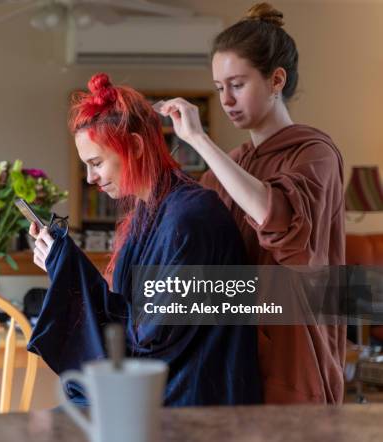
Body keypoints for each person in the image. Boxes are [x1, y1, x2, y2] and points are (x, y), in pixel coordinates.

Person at [26, 73, 262, 406]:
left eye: (96, 163)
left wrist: (68, 268)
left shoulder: (189, 220)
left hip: (189, 399)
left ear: (135, 146)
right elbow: (131, 318)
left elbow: (149, 338)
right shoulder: (149, 212)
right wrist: (61, 264)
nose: (91, 178)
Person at [159, 2, 345, 404]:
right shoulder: (235, 163)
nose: (226, 99)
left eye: (237, 84)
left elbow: (278, 220)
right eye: (219, 87)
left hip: (294, 356)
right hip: (235, 355)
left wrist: (200, 141)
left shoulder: (315, 153)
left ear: (276, 79)